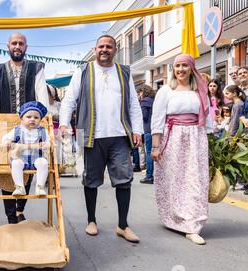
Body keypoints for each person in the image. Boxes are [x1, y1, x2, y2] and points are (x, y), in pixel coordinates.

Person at [59, 34, 143, 242]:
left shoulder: (124, 72)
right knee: (91, 180)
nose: (105, 50)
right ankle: (91, 220)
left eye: (109, 46)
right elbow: (69, 100)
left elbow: (133, 103)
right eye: (101, 46)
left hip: (119, 136)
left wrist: (137, 130)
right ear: (95, 49)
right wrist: (63, 123)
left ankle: (123, 225)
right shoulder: (83, 71)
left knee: (124, 180)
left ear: (115, 50)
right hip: (91, 136)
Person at [0, 32, 50, 224]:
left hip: (31, 124)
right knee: (7, 169)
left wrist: (43, 117)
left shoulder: (36, 68)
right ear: (8, 46)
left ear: (26, 47)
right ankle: (10, 215)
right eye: (14, 43)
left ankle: (20, 209)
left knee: (29, 168)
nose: (17, 46)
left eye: (21, 43)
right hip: (4, 125)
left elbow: (41, 93)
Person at [151, 54, 212, 245]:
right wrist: (155, 146)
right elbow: (157, 119)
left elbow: (207, 119)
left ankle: (192, 225)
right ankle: (175, 218)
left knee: (196, 181)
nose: (180, 69)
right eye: (177, 66)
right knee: (174, 180)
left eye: (185, 65)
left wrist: (209, 144)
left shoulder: (200, 91)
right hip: (173, 137)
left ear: (192, 68)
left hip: (196, 138)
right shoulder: (166, 91)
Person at [2, 101, 49, 204]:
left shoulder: (42, 131)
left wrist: (45, 144)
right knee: (16, 163)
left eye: (36, 118)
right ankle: (19, 187)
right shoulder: (17, 130)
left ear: (40, 120)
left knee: (43, 163)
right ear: (22, 118)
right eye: (29, 117)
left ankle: (40, 186)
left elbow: (48, 143)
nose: (32, 119)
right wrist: (8, 141)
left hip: (36, 158)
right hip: (21, 158)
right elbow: (5, 139)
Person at [139, 84, 155, 184]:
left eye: (140, 92)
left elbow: (144, 116)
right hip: (155, 129)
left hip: (148, 130)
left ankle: (149, 176)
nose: (139, 94)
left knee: (149, 152)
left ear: (144, 92)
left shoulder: (144, 101)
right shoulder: (154, 101)